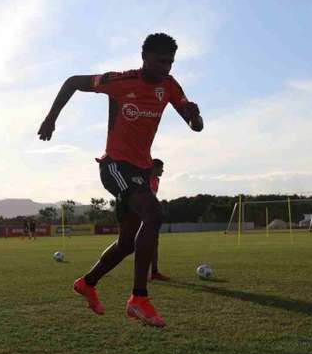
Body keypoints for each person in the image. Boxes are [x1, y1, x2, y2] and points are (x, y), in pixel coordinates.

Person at [37, 33, 203, 327]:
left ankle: (87, 283)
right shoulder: (121, 81)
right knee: (154, 214)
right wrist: (51, 118)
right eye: (160, 60)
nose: (166, 66)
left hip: (140, 170)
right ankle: (138, 298)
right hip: (115, 165)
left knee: (127, 243)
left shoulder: (170, 87)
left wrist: (194, 116)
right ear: (144, 57)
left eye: (170, 62)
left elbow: (195, 125)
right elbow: (73, 81)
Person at [148, 158, 169, 281]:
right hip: (140, 214)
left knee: (154, 243)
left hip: (150, 215)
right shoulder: (144, 178)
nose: (163, 170)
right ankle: (143, 274)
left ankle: (154, 272)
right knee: (136, 245)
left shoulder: (157, 180)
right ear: (154, 168)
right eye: (161, 168)